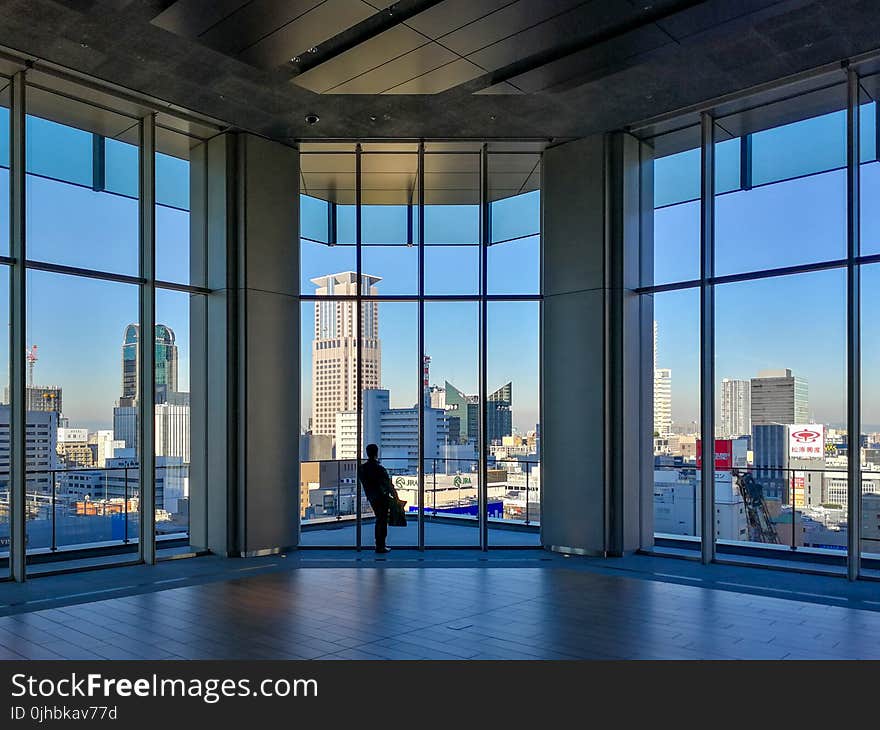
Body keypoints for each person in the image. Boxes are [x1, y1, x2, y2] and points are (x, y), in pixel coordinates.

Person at [358, 443, 394, 553]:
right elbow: (388, 485)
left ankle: (379, 544)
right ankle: (380, 545)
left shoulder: (362, 469)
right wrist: (395, 496)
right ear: (376, 453)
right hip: (382, 497)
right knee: (382, 521)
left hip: (371, 496)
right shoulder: (379, 469)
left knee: (379, 520)